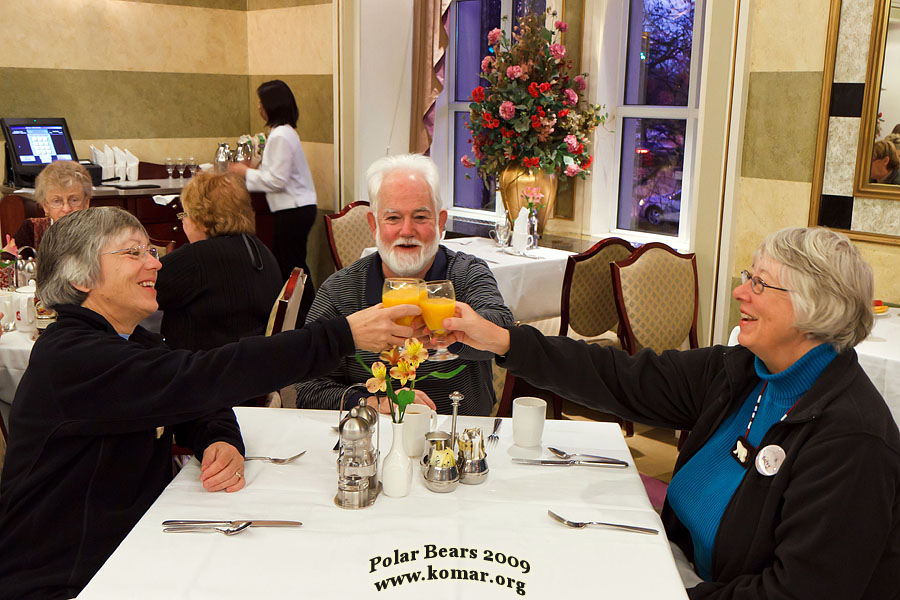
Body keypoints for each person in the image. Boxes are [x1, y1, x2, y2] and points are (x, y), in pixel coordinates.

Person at [442, 227, 900, 599]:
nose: (741, 292)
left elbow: (794, 592)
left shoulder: (852, 440)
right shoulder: (743, 374)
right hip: (677, 567)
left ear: (814, 308)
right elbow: (621, 377)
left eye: (760, 283)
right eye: (748, 276)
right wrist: (504, 340)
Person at [0, 207, 421, 600]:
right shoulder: (74, 358)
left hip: (130, 547)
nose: (156, 263)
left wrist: (218, 439)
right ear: (81, 278)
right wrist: (341, 335)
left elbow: (197, 395)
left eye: (150, 250)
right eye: (133, 252)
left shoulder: (129, 340)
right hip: (63, 578)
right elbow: (204, 376)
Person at [294, 154, 514, 416]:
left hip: (456, 438)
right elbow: (307, 388)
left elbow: (502, 327)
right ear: (373, 224)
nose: (407, 230)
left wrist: (451, 329)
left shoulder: (466, 274)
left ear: (440, 222)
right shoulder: (341, 291)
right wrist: (374, 403)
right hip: (373, 439)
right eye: (393, 218)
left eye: (420, 217)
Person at [156, 171, 283, 351]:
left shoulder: (198, 258)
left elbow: (139, 289)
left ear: (203, 219)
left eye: (185, 215)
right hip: (251, 362)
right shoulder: (260, 250)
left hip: (200, 367)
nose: (184, 223)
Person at [228, 79, 317, 318]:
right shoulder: (282, 133)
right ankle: (300, 313)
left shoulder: (281, 136)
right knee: (290, 263)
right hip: (294, 207)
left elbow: (277, 180)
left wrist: (243, 172)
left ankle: (308, 313)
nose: (258, 107)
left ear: (272, 105)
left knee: (292, 266)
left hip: (294, 209)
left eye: (260, 102)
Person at [13, 160, 92, 251]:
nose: (66, 209)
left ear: (86, 203)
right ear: (45, 206)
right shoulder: (31, 230)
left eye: (74, 200)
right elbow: (8, 262)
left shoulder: (101, 234)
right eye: (57, 201)